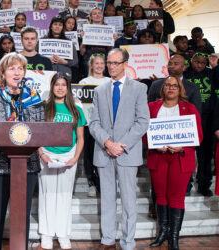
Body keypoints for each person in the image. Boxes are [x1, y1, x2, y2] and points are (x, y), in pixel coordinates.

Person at [0, 52, 44, 250]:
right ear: (3, 73)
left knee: (22, 213)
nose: (17, 72)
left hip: (27, 165)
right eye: (12, 68)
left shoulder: (33, 97)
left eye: (21, 68)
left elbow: (40, 128)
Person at [89, 48, 150, 250]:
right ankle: (107, 239)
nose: (111, 66)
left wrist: (120, 145)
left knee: (128, 201)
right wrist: (108, 143)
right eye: (109, 63)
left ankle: (127, 242)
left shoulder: (139, 89)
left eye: (115, 63)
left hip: (127, 152)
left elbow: (142, 122)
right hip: (104, 151)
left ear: (125, 64)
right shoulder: (99, 90)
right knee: (106, 199)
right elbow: (94, 123)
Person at [146, 76, 202, 249]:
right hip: (158, 156)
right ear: (162, 88)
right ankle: (162, 233)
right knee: (161, 195)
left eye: (174, 86)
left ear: (180, 89)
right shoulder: (151, 107)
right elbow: (143, 132)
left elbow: (198, 135)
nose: (170, 88)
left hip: (181, 157)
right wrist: (154, 144)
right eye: (167, 85)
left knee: (176, 197)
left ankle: (174, 237)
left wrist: (182, 146)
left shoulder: (190, 108)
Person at [38, 73, 85, 249]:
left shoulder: (76, 110)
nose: (59, 88)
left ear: (68, 88)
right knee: (47, 195)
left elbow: (81, 138)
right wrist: (42, 155)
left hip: (68, 156)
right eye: (56, 84)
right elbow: (36, 135)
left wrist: (75, 158)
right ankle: (47, 234)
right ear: (52, 87)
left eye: (63, 85)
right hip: (47, 155)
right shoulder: (44, 108)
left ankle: (63, 234)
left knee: (64, 196)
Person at [184, 52, 218, 197]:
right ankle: (186, 185)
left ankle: (204, 185)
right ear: (191, 61)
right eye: (197, 62)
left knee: (205, 155)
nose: (199, 65)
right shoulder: (185, 74)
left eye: (203, 63)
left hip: (208, 119)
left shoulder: (212, 74)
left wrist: (215, 66)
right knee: (186, 154)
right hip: (188, 119)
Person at [79, 54, 110, 197]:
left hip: (107, 124)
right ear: (91, 65)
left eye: (101, 63)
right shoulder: (84, 81)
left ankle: (103, 182)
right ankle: (91, 182)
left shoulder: (110, 81)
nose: (99, 66)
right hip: (88, 124)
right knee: (89, 154)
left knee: (104, 152)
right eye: (96, 63)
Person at [44, 16, 78, 81]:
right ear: (51, 26)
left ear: (63, 28)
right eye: (55, 24)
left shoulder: (69, 42)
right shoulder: (42, 41)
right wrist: (47, 59)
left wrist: (65, 62)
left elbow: (75, 61)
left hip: (64, 72)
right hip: (47, 71)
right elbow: (36, 55)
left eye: (60, 25)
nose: (57, 26)